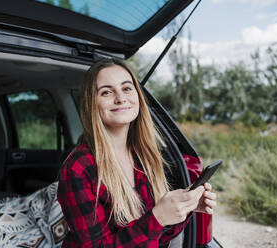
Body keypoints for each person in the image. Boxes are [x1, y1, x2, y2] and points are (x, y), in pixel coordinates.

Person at [57, 58, 216, 247]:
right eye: (106, 92)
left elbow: (158, 237)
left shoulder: (143, 156)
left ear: (138, 97)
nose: (120, 98)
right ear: (91, 104)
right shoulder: (79, 167)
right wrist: (156, 218)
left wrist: (184, 209)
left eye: (126, 88)